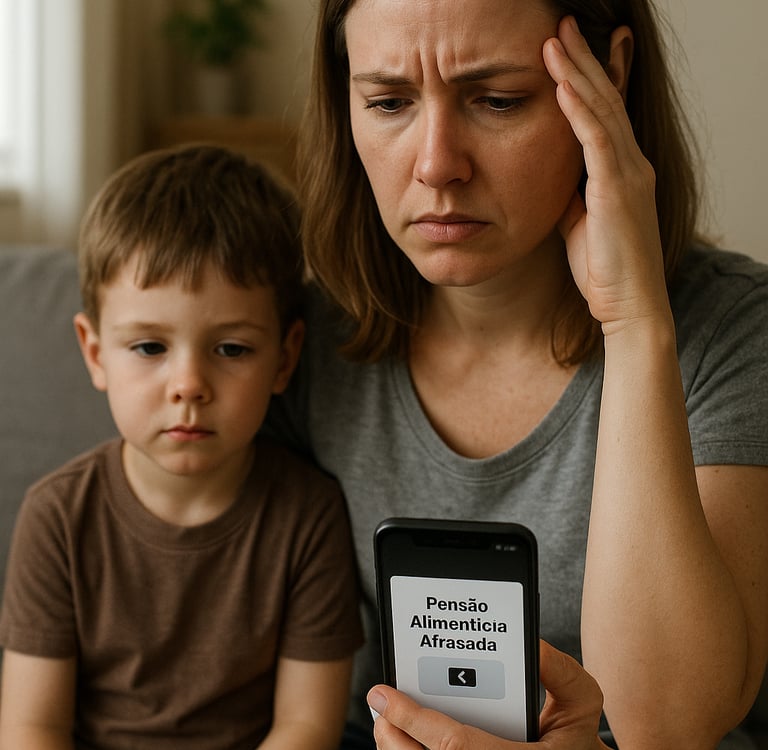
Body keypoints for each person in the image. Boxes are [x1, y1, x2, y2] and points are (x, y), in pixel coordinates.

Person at [264, 0, 768, 748]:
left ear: (610, 76)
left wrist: (632, 324)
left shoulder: (733, 330)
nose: (437, 165)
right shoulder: (296, 345)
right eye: (389, 102)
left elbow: (667, 726)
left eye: (497, 100)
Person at [0, 145, 364, 749]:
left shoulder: (309, 514)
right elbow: (32, 728)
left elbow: (306, 727)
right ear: (95, 353)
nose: (189, 386)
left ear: (286, 357)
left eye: (231, 349)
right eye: (149, 348)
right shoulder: (58, 517)